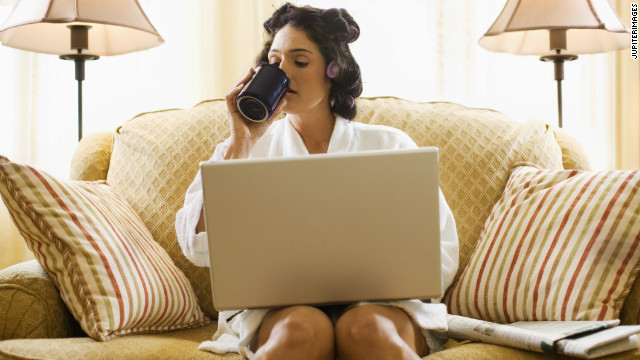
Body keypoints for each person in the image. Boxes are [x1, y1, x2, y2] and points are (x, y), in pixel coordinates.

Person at [175, 3, 459, 360]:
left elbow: (441, 248)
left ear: (333, 71)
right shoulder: (243, 150)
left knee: (367, 328)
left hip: (383, 306)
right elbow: (199, 248)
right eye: (274, 63)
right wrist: (242, 141)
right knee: (300, 329)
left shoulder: (390, 145)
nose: (284, 73)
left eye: (300, 61)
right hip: (278, 308)